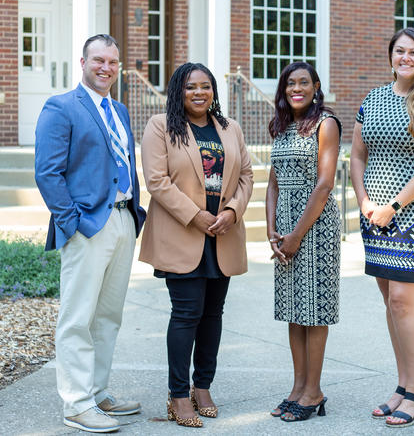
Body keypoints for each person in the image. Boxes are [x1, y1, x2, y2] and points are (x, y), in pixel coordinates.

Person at [34, 34, 147, 433]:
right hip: (87, 224)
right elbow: (47, 173)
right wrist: (73, 222)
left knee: (108, 316)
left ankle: (97, 392)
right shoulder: (61, 107)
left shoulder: (119, 109)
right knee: (77, 317)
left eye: (113, 62)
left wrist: (134, 217)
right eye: (98, 60)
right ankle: (76, 404)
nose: (106, 68)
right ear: (81, 61)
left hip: (123, 220)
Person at [350, 27, 414, 428]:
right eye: (400, 51)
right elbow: (357, 157)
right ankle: (401, 385)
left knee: (401, 301)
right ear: (391, 55)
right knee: (389, 303)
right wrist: (364, 202)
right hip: (373, 216)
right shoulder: (373, 99)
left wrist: (394, 205)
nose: (406, 58)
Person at [138, 63, 253, 428]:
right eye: (191, 87)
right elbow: (157, 181)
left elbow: (247, 174)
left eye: (205, 86)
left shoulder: (229, 128)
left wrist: (232, 212)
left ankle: (202, 387)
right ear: (178, 91)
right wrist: (197, 217)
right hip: (183, 234)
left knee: (213, 314)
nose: (199, 93)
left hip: (223, 234)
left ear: (213, 91)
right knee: (187, 313)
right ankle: (177, 394)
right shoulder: (161, 126)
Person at [266, 62, 341, 423]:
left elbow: (324, 185)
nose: (296, 88)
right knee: (294, 312)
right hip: (285, 232)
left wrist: (296, 235)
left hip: (316, 226)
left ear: (315, 86)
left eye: (303, 83)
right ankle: (298, 388)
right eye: (290, 83)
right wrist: (272, 232)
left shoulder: (325, 124)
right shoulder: (281, 128)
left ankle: (315, 391)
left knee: (315, 310)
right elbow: (273, 184)